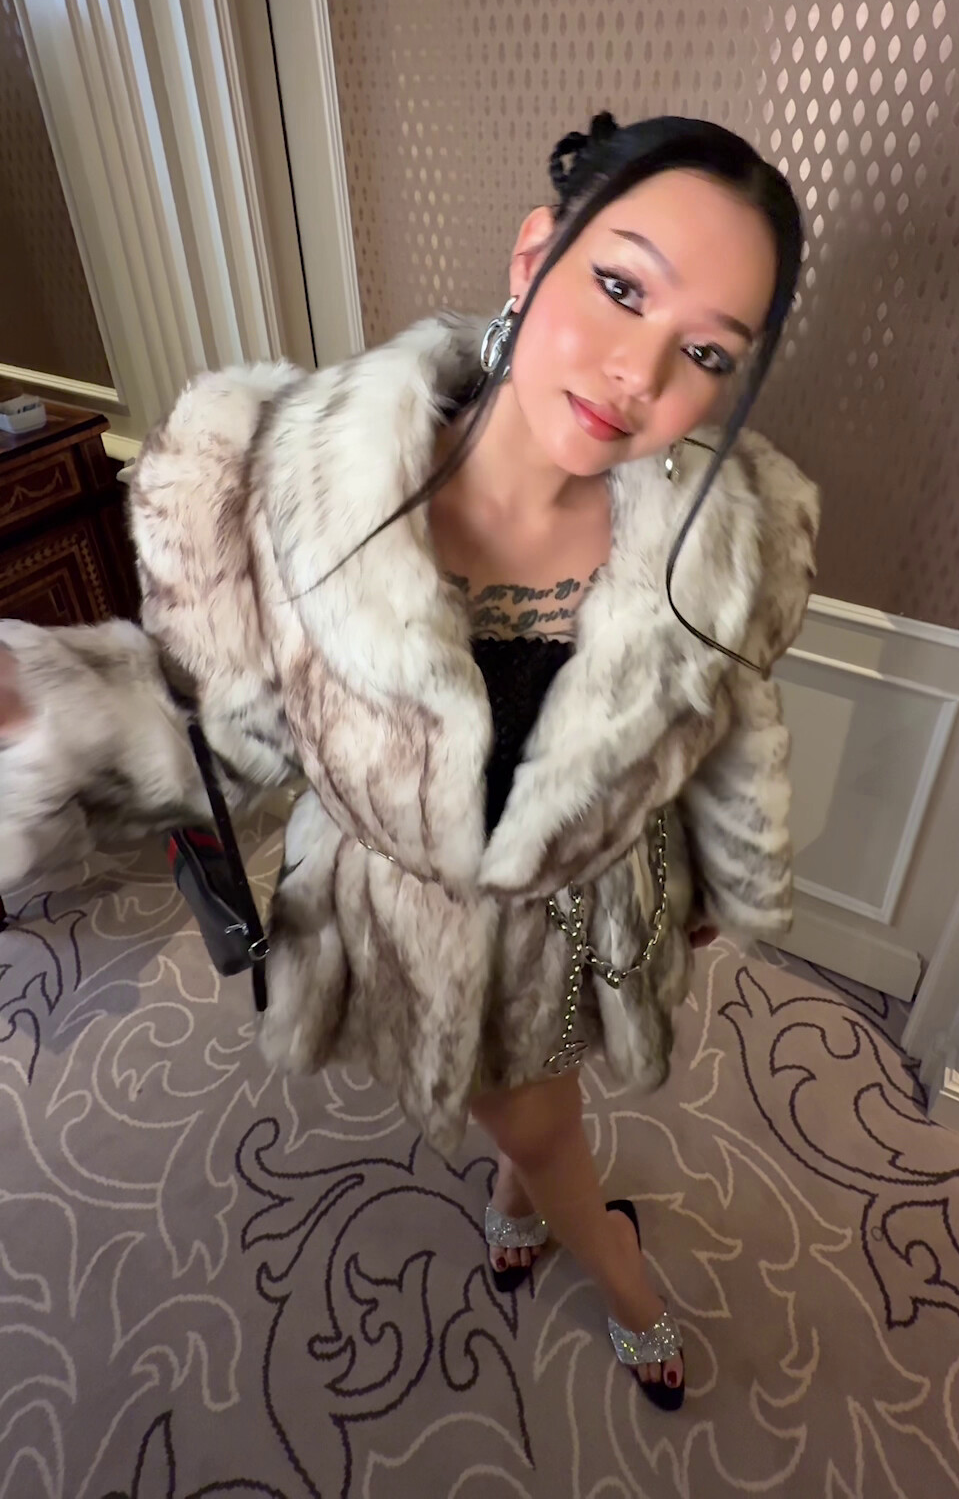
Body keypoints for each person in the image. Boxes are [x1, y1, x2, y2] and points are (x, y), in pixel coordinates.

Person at [0, 112, 818, 1414]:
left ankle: (553, 1227)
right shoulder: (291, 474)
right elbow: (226, 723)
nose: (639, 371)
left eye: (706, 351)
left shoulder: (727, 537)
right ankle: (602, 1256)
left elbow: (729, 727)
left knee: (537, 1110)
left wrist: (724, 880)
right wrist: (49, 711)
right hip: (412, 916)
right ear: (536, 254)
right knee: (536, 1118)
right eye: (621, 288)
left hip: (597, 904)